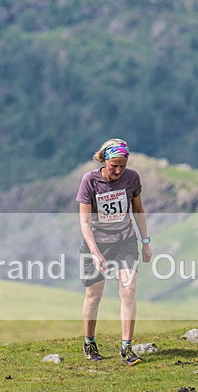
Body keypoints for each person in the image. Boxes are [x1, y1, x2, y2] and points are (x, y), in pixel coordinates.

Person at [76, 138, 152, 365]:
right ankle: (89, 342)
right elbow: (84, 222)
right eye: (113, 166)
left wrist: (145, 242)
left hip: (125, 241)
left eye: (122, 166)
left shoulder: (132, 178)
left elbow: (138, 210)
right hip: (96, 244)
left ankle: (127, 348)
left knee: (128, 291)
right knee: (94, 296)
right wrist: (96, 253)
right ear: (104, 160)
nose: (118, 170)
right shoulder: (90, 181)